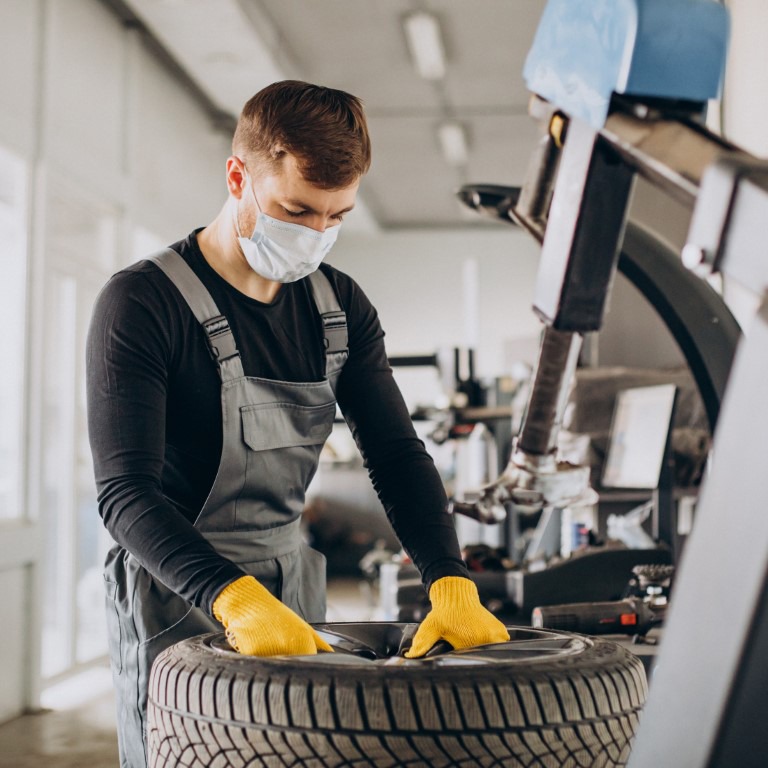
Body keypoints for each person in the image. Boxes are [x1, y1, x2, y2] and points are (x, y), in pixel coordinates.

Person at [86, 80, 509, 768]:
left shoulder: (340, 309)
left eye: (336, 216)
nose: (316, 234)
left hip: (293, 584)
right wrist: (233, 597)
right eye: (296, 210)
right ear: (237, 177)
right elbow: (124, 494)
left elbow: (397, 455)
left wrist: (448, 578)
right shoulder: (143, 302)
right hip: (176, 596)